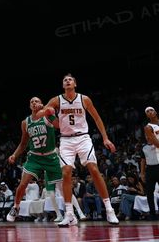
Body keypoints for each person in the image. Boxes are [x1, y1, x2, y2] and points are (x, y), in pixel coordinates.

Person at [38, 73, 118, 226]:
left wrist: (105, 138)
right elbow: (41, 114)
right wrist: (49, 114)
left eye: (70, 80)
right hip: (66, 140)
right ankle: (69, 214)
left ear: (75, 84)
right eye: (65, 80)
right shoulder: (56, 100)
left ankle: (109, 210)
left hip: (83, 138)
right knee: (66, 172)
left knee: (93, 169)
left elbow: (97, 118)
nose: (67, 81)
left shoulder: (84, 99)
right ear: (63, 86)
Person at [6, 96, 63, 223]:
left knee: (61, 186)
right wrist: (14, 155)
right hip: (35, 157)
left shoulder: (46, 116)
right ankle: (16, 207)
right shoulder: (25, 122)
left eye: (36, 101)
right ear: (29, 106)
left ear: (41, 104)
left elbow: (59, 126)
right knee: (23, 183)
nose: (33, 102)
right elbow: (23, 143)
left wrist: (49, 112)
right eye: (31, 101)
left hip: (50, 156)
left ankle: (70, 212)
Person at [140, 142, 159, 219]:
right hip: (149, 169)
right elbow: (143, 161)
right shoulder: (144, 147)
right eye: (146, 135)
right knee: (149, 192)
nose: (147, 137)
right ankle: (152, 213)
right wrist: (142, 173)